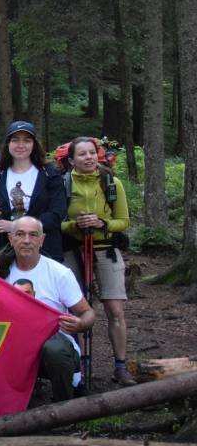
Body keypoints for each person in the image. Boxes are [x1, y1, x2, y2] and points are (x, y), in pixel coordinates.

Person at [61, 137, 133, 386]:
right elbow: (55, 221)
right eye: (82, 154)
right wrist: (74, 225)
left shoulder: (112, 182)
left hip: (106, 249)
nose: (89, 157)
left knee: (115, 310)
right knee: (76, 309)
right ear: (71, 160)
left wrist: (103, 224)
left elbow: (123, 221)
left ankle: (120, 366)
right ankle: (80, 365)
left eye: (92, 153)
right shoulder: (63, 184)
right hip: (73, 251)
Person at [5, 216, 95, 402]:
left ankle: (64, 405)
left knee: (55, 350)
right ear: (10, 238)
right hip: (12, 345)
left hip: (51, 346)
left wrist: (80, 324)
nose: (27, 240)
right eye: (20, 234)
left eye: (33, 235)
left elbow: (88, 313)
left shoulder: (59, 273)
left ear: (42, 239)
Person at [0, 121, 68, 263]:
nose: (20, 145)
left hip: (45, 251)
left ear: (34, 144)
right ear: (8, 144)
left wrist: (15, 227)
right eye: (15, 140)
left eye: (27, 140)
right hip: (7, 253)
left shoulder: (50, 174)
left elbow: (57, 214)